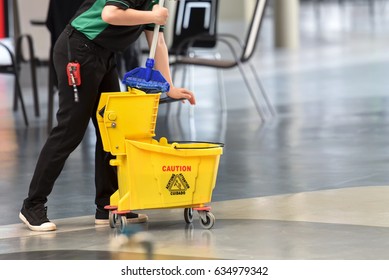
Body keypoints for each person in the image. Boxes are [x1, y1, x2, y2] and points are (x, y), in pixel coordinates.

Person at [19, 0, 196, 232]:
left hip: (104, 55)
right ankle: (32, 205)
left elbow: (158, 41)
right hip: (79, 49)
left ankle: (107, 205)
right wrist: (151, 17)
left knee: (111, 129)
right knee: (70, 130)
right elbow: (110, 14)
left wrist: (169, 87)